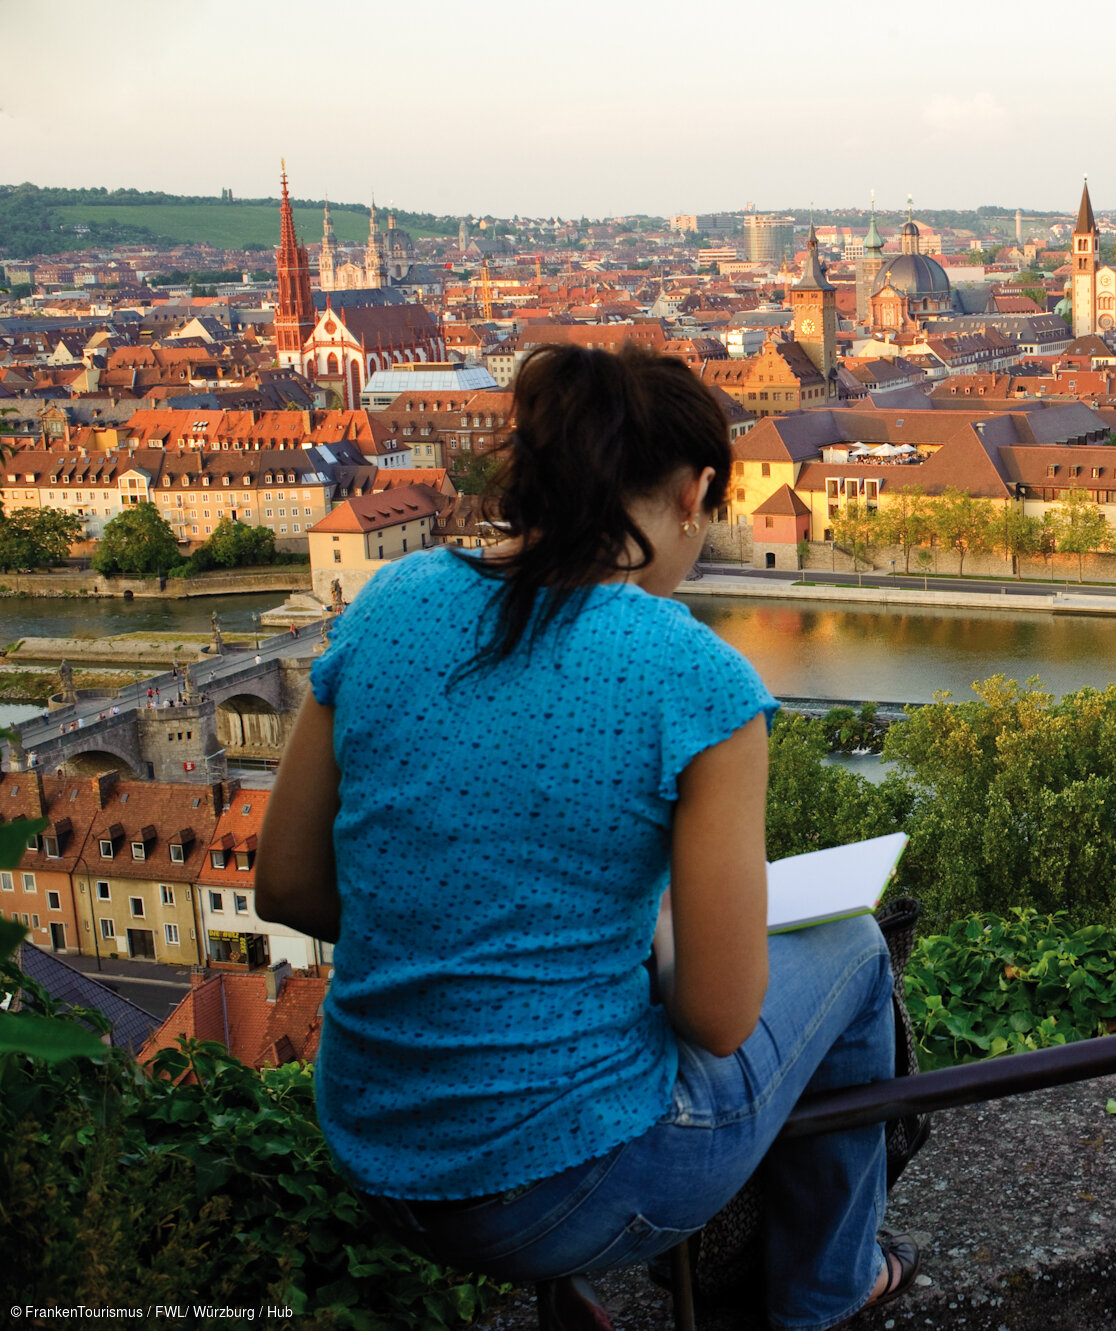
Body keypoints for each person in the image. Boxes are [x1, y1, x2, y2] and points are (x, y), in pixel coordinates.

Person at [255, 344, 914, 1331]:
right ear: (695, 492)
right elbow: (721, 1019)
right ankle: (827, 1283)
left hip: (372, 1143)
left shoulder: (389, 605)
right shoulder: (696, 677)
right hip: (566, 1185)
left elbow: (289, 886)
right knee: (856, 947)